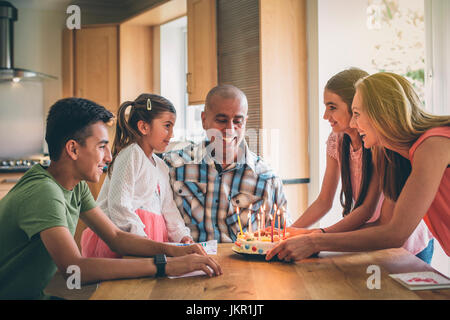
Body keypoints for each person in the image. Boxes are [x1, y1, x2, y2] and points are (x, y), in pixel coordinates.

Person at [0, 97, 222, 300]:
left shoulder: (76, 187)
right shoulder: (44, 193)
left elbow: (115, 236)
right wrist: (165, 265)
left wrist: (176, 250)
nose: (108, 156)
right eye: (101, 146)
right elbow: (74, 271)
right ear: (73, 149)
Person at [266, 72, 449, 262]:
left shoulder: (432, 145)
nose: (353, 123)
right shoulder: (399, 153)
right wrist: (312, 237)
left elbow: (395, 234)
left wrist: (316, 241)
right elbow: (385, 224)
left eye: (357, 114)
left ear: (381, 113)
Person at [164, 84, 290, 243]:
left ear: (245, 123)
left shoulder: (267, 179)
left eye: (238, 121)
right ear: (204, 120)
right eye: (221, 120)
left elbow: (283, 237)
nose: (229, 129)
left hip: (245, 266)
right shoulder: (172, 166)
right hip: (188, 264)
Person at [81, 94, 194, 259]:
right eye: (167, 126)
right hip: (127, 237)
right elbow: (119, 206)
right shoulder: (131, 154)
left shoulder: (161, 165)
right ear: (144, 127)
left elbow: (168, 208)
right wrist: (141, 241)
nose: (172, 134)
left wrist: (181, 235)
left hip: (150, 240)